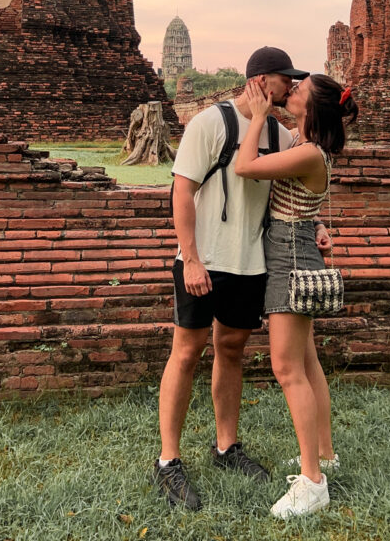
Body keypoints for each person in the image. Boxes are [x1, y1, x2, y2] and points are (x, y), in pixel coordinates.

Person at [153, 46, 322, 511]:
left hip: (250, 263)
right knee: (186, 351)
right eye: (285, 80)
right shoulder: (210, 123)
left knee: (231, 349)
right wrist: (190, 258)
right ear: (262, 81)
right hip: (203, 259)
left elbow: (297, 187)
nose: (289, 88)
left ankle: (226, 446)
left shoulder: (280, 136)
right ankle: (168, 460)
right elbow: (182, 193)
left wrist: (319, 226)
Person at [235, 73, 358, 520]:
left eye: (299, 89)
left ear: (313, 107)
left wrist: (259, 117)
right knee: (306, 364)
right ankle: (323, 455)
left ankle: (312, 482)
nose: (292, 92)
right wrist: (321, 227)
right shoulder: (304, 146)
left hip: (289, 258)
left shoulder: (307, 151)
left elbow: (245, 167)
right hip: (297, 248)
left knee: (287, 369)